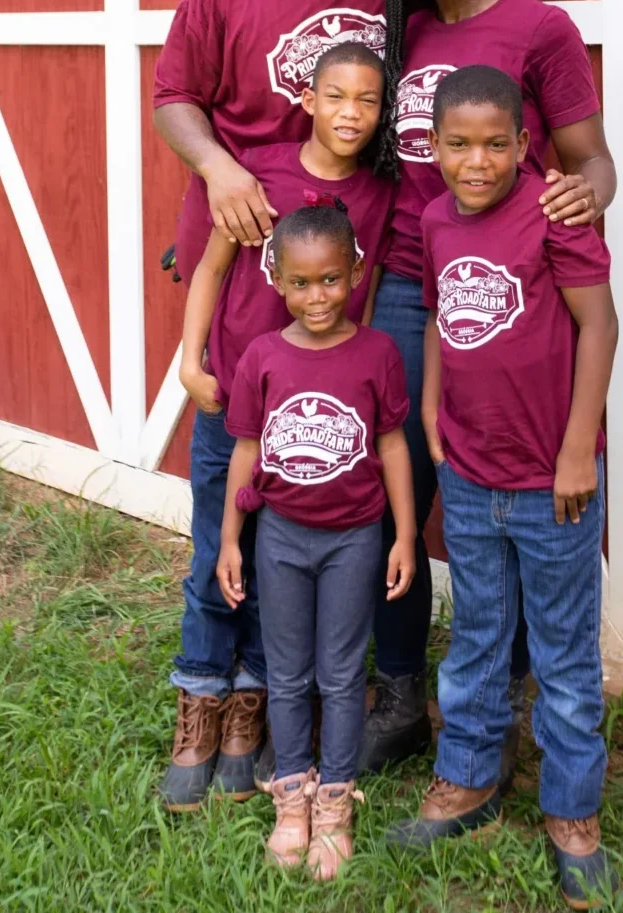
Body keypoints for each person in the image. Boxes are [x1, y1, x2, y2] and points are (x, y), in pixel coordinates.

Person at [153, 0, 615, 800]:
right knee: (292, 475)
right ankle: (283, 692)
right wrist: (222, 175)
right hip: (311, 279)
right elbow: (174, 97)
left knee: (408, 477)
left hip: (412, 276)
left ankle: (456, 688)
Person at [358, 0, 616, 776]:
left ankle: (508, 700)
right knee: (408, 483)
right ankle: (399, 687)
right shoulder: (405, 32)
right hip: (408, 276)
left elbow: (591, 162)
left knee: (509, 476)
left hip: (510, 274)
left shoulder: (537, 30)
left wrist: (584, 201)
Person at [386, 66, 619, 912]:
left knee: (562, 653)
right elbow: (448, 317)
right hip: (474, 472)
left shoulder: (554, 210)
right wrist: (435, 404)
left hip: (550, 481)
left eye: (495, 144)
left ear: (524, 144)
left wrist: (578, 452)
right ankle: (468, 777)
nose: (475, 162)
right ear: (434, 148)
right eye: (457, 145)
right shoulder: (440, 220)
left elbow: (600, 323)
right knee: (479, 631)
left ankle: (572, 812)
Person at [159, 43, 397, 810]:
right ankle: (201, 699)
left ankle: (254, 706)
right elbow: (212, 267)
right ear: (308, 98)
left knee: (278, 566)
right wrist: (190, 359)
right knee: (215, 551)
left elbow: (372, 297)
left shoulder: (376, 193)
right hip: (237, 399)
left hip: (313, 415)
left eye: (368, 99)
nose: (351, 114)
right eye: (336, 96)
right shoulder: (255, 169)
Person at [217, 203, 416, 880]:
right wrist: (230, 540)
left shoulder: (378, 353)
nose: (317, 296)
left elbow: (392, 446)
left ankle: (335, 800)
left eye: (331, 279)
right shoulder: (263, 357)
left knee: (339, 672)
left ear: (357, 272)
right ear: (276, 279)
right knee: (288, 671)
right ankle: (292, 798)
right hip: (278, 537)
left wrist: (406, 534)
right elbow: (245, 451)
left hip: (354, 537)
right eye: (301, 283)